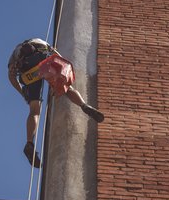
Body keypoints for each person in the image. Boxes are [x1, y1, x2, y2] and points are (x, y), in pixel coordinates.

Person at [8, 38, 104, 168]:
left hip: (27, 72)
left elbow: (11, 76)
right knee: (67, 89)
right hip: (44, 61)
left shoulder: (15, 54)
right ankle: (84, 105)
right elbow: (59, 58)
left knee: (34, 111)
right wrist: (60, 81)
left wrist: (22, 92)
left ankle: (29, 143)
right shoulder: (40, 42)